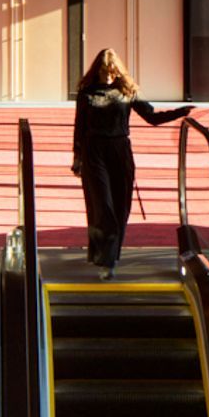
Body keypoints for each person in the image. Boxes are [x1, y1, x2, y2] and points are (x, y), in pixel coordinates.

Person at [71, 48, 191, 277]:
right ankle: (107, 262)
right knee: (101, 204)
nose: (108, 76)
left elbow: (152, 117)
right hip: (93, 151)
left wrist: (179, 113)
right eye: (104, 71)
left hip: (121, 151)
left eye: (112, 71)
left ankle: (103, 254)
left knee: (120, 206)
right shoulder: (87, 92)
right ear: (97, 70)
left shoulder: (127, 91)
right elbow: (80, 127)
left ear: (117, 71)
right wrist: (77, 157)